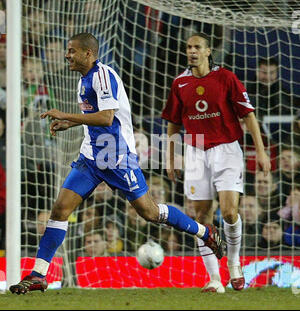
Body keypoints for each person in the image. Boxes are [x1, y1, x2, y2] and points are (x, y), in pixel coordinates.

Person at [10, 32, 223, 294]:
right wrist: (71, 122)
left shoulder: (102, 75)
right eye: (67, 51)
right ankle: (38, 275)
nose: (68, 55)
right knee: (60, 209)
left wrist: (65, 113)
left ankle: (204, 233)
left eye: (72, 51)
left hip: (117, 157)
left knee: (150, 213)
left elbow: (107, 118)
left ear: (88, 53)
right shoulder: (83, 79)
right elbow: (93, 116)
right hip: (91, 157)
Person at [161, 32, 271, 293]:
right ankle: (214, 279)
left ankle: (234, 264)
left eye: (197, 47)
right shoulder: (179, 83)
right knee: (202, 218)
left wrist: (262, 151)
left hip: (227, 149)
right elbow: (173, 123)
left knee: (230, 212)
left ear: (209, 51)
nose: (192, 51)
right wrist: (172, 155)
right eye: (188, 47)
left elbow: (249, 115)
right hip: (196, 151)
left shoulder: (225, 77)